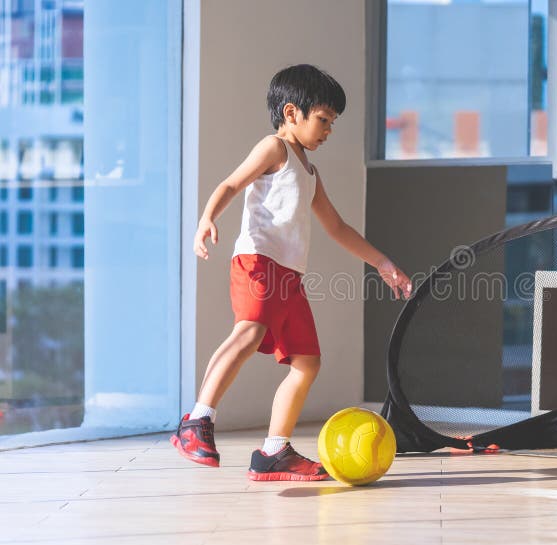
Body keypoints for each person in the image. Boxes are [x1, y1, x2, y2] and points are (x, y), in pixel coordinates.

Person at [171, 64, 412, 481]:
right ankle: (197, 420)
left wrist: (382, 262)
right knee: (249, 332)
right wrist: (207, 218)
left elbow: (336, 227)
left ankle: (273, 451)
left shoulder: (310, 173)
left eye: (332, 123)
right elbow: (230, 184)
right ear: (291, 113)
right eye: (323, 120)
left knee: (307, 362)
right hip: (258, 262)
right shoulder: (274, 149)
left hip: (289, 277)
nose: (328, 131)